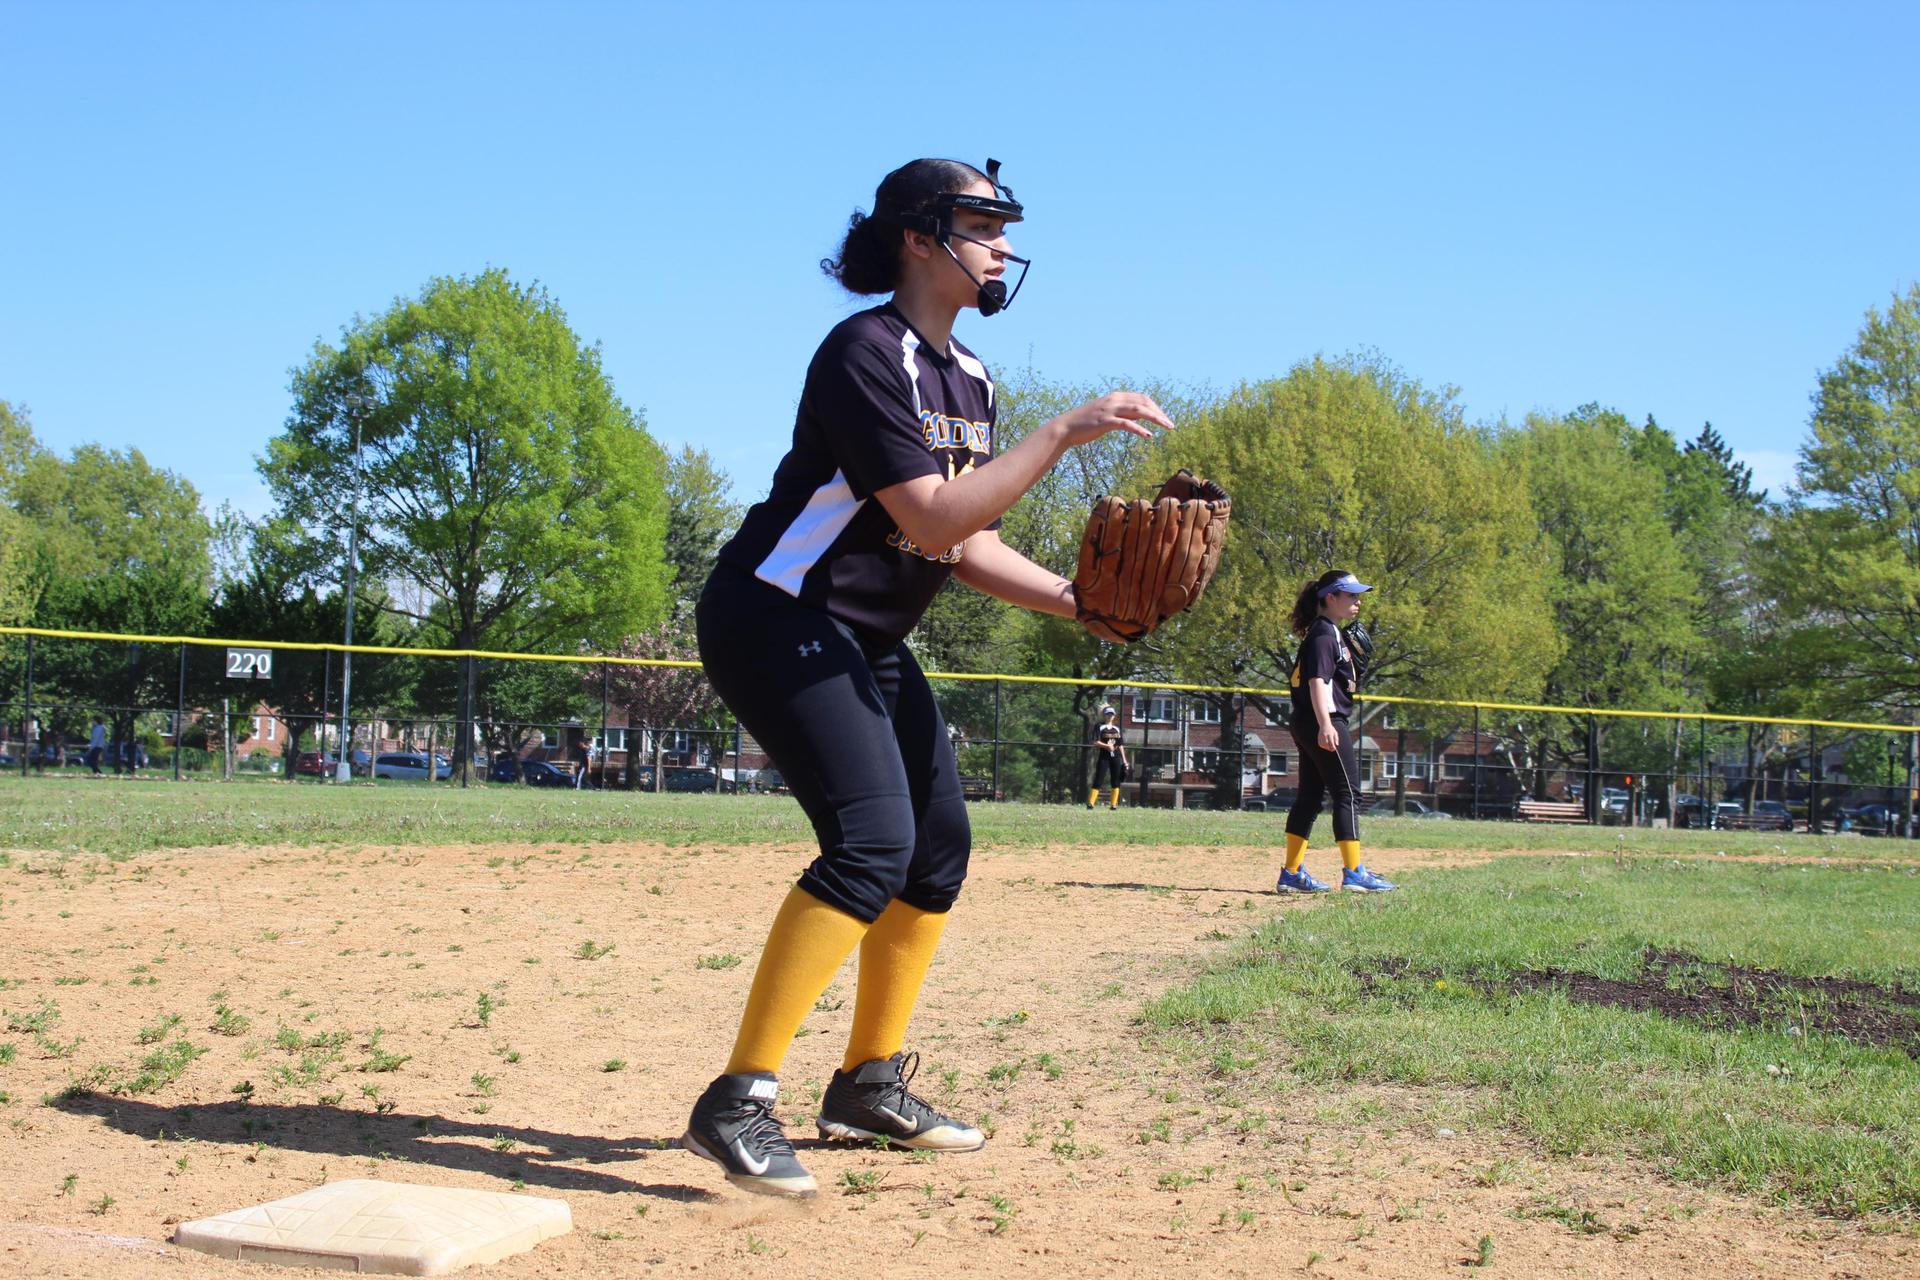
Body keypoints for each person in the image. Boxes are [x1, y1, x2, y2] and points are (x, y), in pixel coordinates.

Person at [681, 158, 1173, 1198]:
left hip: (862, 638)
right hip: (778, 614)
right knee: (871, 844)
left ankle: (866, 1079)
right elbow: (932, 516)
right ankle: (736, 1098)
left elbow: (963, 544)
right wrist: (1062, 432)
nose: (1001, 240)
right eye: (981, 221)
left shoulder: (973, 380)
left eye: (1003, 223)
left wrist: (1080, 603)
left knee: (935, 848)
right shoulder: (864, 351)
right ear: (918, 237)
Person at [1275, 571, 1396, 895]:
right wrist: (1327, 724)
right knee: (1348, 794)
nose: (1357, 601)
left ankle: (1292, 873)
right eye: (1351, 595)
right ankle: (1354, 872)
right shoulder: (1324, 635)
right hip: (1323, 720)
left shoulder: (1328, 633)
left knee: (1311, 797)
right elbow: (1317, 681)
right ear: (1331, 598)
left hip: (1308, 720)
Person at [1087, 703, 1127, 809]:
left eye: (1112, 714)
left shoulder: (1117, 729)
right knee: (1099, 779)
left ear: (1114, 716)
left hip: (1116, 757)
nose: (1110, 716)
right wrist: (1106, 746)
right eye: (1108, 714)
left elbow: (1120, 745)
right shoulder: (1099, 726)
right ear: (1104, 715)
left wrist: (1125, 760)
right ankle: (1091, 803)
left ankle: (1113, 805)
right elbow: (1095, 742)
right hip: (1104, 757)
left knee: (1115, 781)